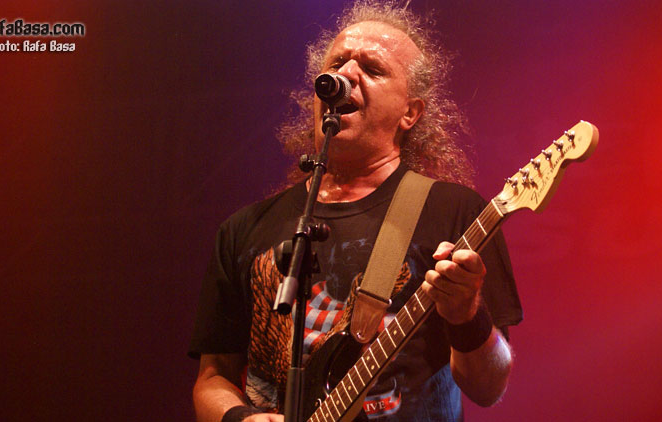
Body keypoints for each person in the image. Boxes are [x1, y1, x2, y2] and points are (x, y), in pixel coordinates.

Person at [189, 1, 522, 421]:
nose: (345, 74)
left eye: (372, 68)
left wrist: (466, 315)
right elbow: (212, 379)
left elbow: (489, 387)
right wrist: (240, 418)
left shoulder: (455, 211)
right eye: (337, 63)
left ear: (410, 113)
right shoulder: (244, 228)